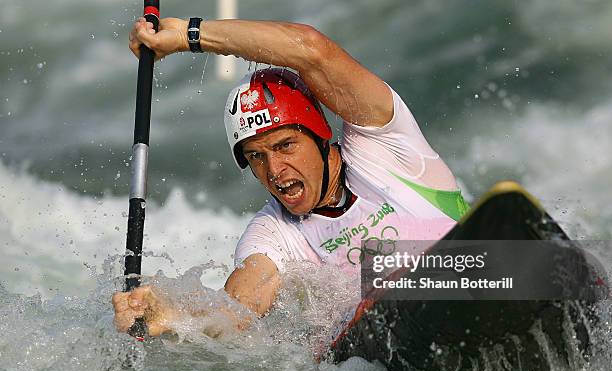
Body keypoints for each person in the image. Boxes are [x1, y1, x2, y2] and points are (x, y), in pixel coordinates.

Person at [113, 17, 469, 337]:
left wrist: (188, 36)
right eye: (256, 157)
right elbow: (237, 308)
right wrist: (171, 316)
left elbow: (310, 49)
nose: (275, 171)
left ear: (319, 134)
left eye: (285, 146)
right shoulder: (273, 233)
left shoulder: (385, 143)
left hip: (479, 274)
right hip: (392, 338)